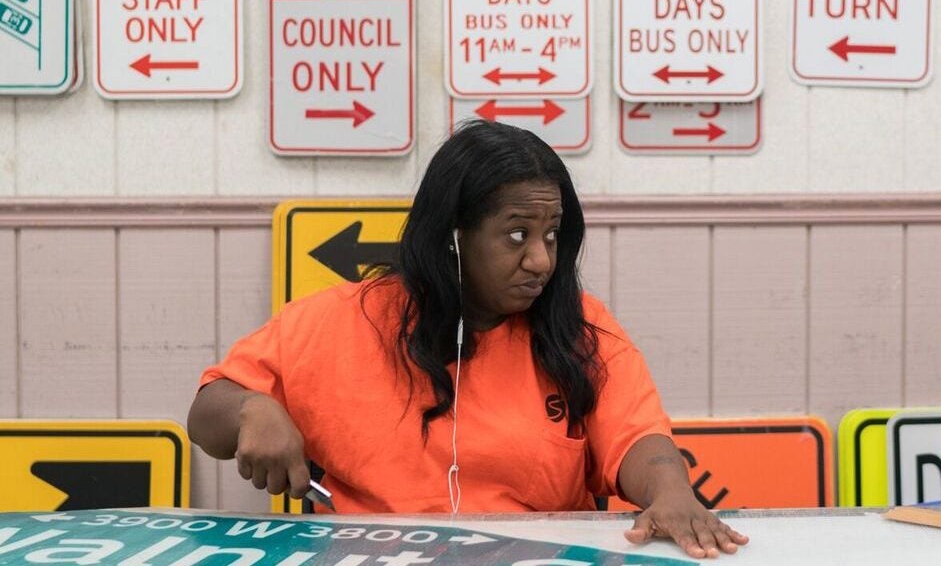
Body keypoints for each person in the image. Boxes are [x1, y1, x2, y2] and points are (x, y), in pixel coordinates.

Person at [189, 121, 747, 559]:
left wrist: (670, 490)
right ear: (451, 238)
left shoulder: (580, 327)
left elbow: (637, 442)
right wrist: (251, 410)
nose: (541, 261)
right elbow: (209, 413)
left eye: (552, 236)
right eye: (516, 235)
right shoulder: (340, 320)